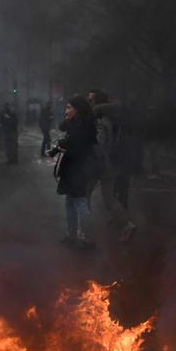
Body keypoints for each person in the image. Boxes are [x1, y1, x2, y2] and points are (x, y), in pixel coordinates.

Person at [87, 90, 136, 241]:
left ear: (97, 102)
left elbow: (99, 145)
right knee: (109, 199)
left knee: (83, 194)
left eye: (91, 100)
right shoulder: (107, 118)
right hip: (109, 165)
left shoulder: (101, 120)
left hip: (99, 165)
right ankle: (127, 225)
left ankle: (84, 230)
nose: (88, 102)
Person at [55, 94, 98, 250]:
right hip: (74, 168)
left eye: (69, 107)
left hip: (79, 168)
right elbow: (61, 127)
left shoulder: (83, 126)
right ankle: (72, 235)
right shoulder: (77, 122)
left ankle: (88, 238)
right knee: (70, 202)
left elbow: (75, 146)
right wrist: (68, 118)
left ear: (78, 109)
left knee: (80, 203)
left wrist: (64, 143)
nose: (66, 110)